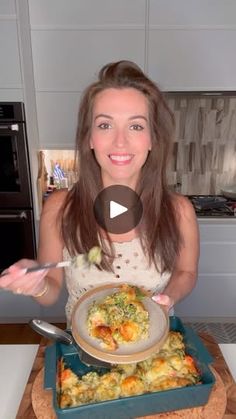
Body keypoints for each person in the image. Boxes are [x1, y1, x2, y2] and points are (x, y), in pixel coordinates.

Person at [0, 60, 199, 326]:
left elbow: (186, 272)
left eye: (136, 126)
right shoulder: (61, 207)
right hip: (84, 352)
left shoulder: (179, 210)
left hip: (156, 351)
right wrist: (36, 285)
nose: (120, 141)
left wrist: (167, 298)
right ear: (89, 137)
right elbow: (51, 291)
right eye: (105, 125)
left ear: (153, 138)